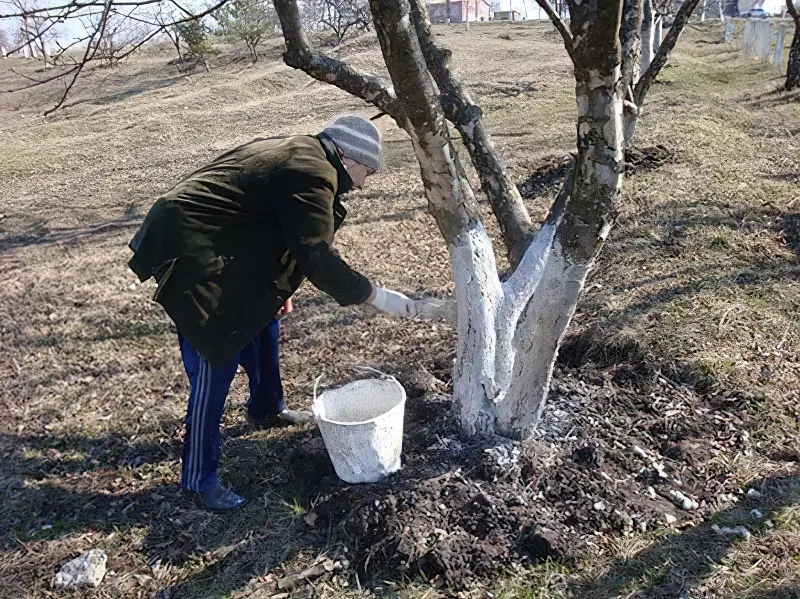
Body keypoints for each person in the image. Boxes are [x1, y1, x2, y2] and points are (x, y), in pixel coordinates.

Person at [128, 115, 417, 512]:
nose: (364, 184)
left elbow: (272, 226)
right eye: (366, 171)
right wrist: (375, 296)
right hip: (192, 252)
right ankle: (199, 479)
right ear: (348, 156)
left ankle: (266, 408)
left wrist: (278, 288)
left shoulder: (307, 155)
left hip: (223, 245)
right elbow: (315, 254)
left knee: (264, 321)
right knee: (216, 357)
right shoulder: (311, 172)